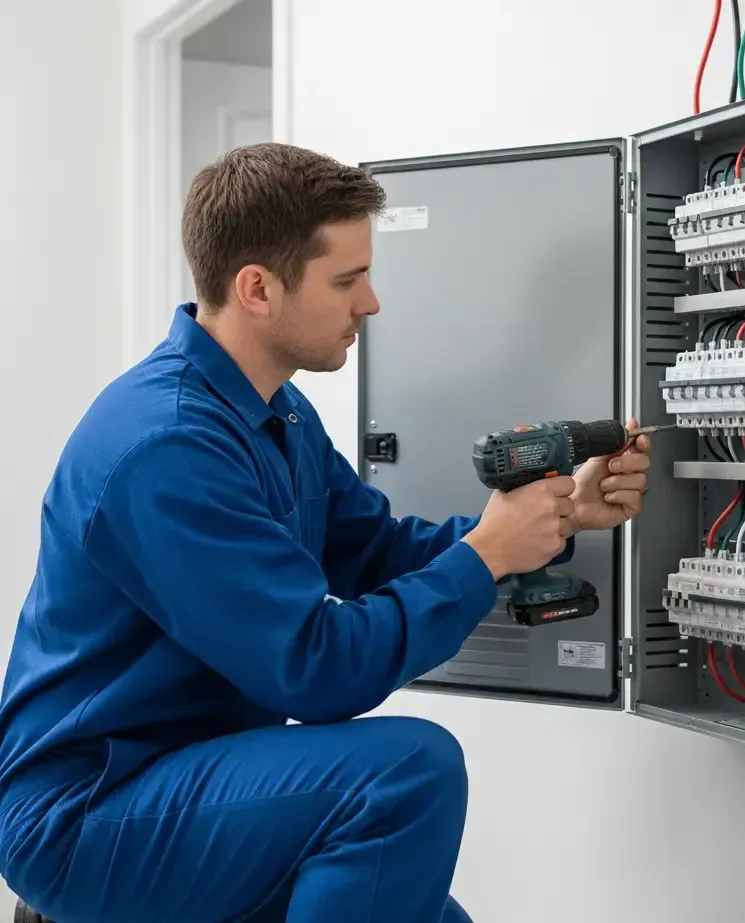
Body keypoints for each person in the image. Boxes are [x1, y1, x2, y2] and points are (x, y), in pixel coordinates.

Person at [0, 142, 653, 923]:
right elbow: (313, 669)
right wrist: (485, 556)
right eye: (347, 279)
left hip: (195, 779)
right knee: (408, 772)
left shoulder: (276, 413)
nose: (370, 302)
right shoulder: (164, 447)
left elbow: (378, 552)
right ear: (257, 289)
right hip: (88, 815)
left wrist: (556, 519)